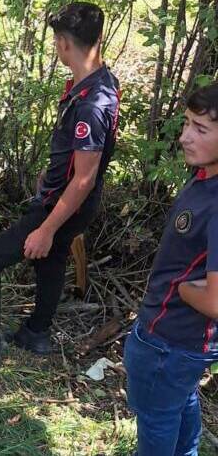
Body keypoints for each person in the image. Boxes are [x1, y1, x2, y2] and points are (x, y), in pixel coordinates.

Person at [0, 2, 120, 367]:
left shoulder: (92, 105)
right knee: (51, 260)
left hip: (64, 205)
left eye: (56, 41)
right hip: (68, 198)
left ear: (65, 44)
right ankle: (36, 333)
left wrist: (48, 227)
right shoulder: (99, 82)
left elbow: (83, 178)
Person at [124, 84, 218, 455]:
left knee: (156, 422)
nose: (184, 137)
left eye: (200, 128)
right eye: (186, 124)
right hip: (179, 344)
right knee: (178, 404)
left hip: (170, 341)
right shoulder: (204, 176)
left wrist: (183, 291)